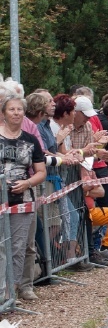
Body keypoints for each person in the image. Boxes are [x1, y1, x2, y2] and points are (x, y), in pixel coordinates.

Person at [1, 93, 48, 301]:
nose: (16, 113)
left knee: (19, 246)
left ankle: (13, 289)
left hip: (23, 199)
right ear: (3, 113)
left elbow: (41, 171)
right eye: (12, 109)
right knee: (2, 245)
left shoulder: (30, 140)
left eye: (19, 109)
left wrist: (27, 183)